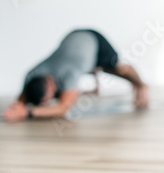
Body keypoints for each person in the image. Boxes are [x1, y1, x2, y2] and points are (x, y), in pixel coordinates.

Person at [2, 29, 149, 122]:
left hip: (92, 39)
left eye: (50, 97)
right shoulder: (31, 74)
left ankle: (142, 86)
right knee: (91, 69)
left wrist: (28, 112)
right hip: (72, 43)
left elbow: (62, 109)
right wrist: (17, 107)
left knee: (116, 68)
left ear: (52, 84)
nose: (49, 101)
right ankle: (94, 73)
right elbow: (20, 101)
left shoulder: (69, 74)